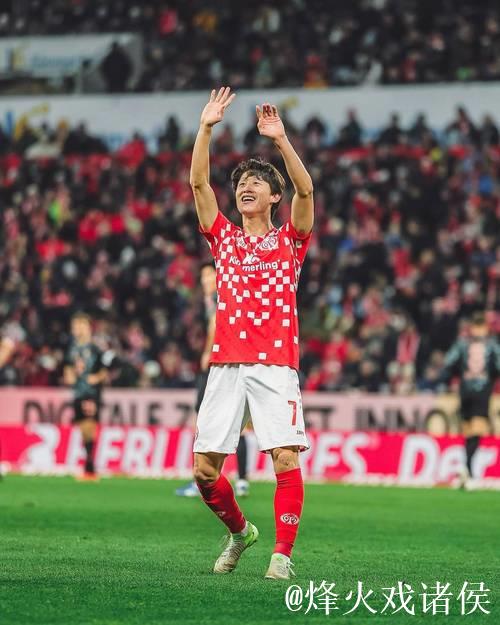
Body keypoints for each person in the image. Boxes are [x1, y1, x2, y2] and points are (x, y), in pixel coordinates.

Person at [190, 87, 313, 580]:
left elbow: (307, 192)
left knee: (284, 457)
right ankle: (241, 532)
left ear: (274, 196)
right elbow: (198, 184)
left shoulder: (290, 241)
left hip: (276, 365)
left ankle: (282, 555)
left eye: (257, 182)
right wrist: (205, 128)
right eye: (242, 182)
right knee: (204, 472)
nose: (246, 186)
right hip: (226, 364)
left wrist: (280, 140)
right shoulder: (223, 238)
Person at [176, 262, 250, 497]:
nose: (205, 280)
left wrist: (208, 352)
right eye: (203, 276)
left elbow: (215, 325)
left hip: (219, 364)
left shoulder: (220, 297)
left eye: (210, 275)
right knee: (237, 423)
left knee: (205, 420)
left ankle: (203, 480)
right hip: (234, 361)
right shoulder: (221, 297)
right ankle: (241, 480)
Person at [441, 312, 500, 488]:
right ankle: (467, 468)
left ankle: (467, 470)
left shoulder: (463, 344)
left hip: (467, 391)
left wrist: (454, 376)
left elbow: (448, 362)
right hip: (479, 392)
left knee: (471, 432)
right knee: (475, 431)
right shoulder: (491, 345)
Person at [64, 313, 107, 480]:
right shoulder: (72, 349)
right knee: (83, 427)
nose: (77, 329)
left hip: (91, 393)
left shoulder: (95, 349)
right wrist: (69, 375)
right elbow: (68, 368)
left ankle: (90, 464)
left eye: (80, 325)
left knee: (90, 425)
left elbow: (104, 371)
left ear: (88, 328)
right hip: (78, 392)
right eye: (75, 325)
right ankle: (89, 461)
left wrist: (96, 378)